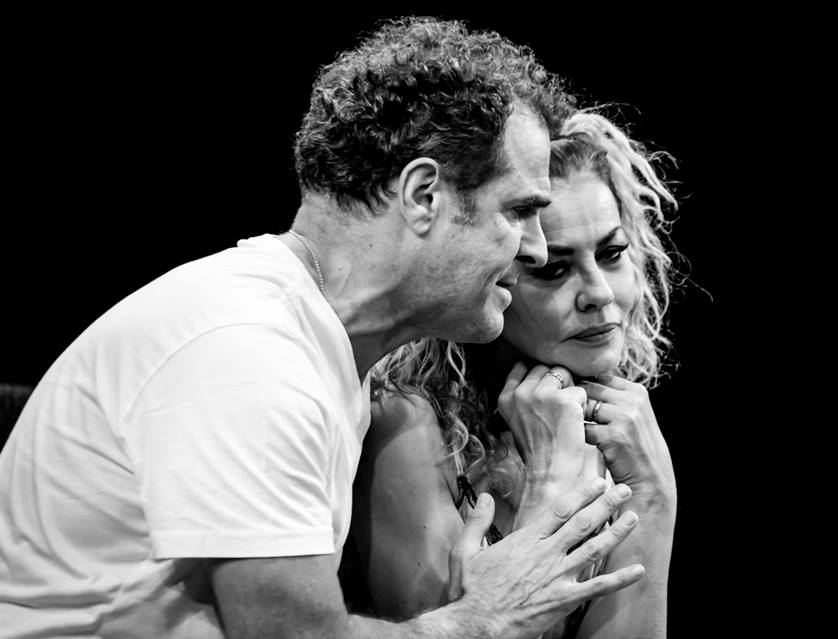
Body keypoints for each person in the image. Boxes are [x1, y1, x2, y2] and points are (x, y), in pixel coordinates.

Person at [0, 18, 647, 639]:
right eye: (520, 211)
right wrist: (484, 617)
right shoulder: (250, 351)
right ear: (423, 196)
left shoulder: (313, 348)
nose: (535, 248)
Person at [352, 111, 679, 638]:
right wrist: (551, 478)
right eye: (553, 269)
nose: (599, 293)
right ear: (494, 273)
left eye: (613, 253)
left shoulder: (617, 418)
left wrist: (652, 494)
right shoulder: (406, 419)